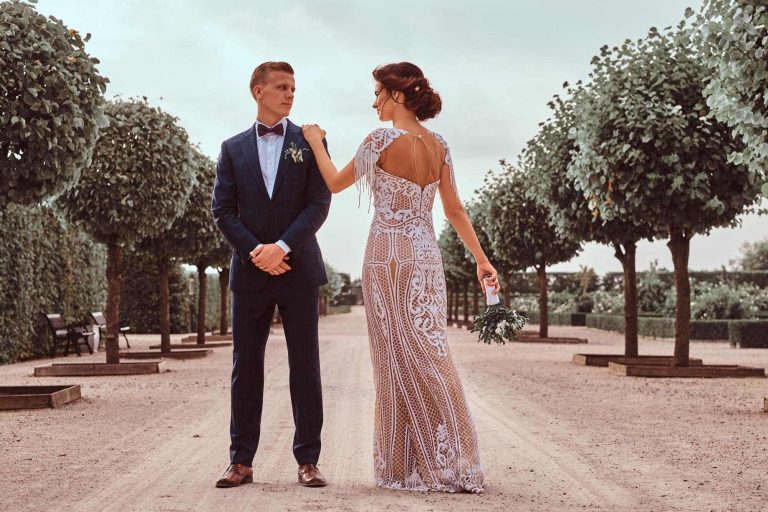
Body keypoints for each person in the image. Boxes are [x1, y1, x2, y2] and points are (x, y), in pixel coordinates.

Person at [301, 62, 498, 494]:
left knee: (394, 358)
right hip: (427, 257)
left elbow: (334, 182)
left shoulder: (380, 140)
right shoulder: (439, 145)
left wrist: (317, 141)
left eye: (379, 94)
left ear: (399, 95)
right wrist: (482, 260)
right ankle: (453, 458)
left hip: (387, 256)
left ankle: (405, 465)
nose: (374, 102)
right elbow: (454, 211)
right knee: (431, 351)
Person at [211, 61, 331, 489]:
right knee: (247, 368)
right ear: (257, 91)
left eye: (294, 88)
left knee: (305, 366)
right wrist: (255, 251)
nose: (290, 94)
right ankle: (240, 461)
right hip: (250, 273)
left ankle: (309, 461)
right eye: (282, 87)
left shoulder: (310, 141)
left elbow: (319, 204)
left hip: (298, 270)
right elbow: (221, 210)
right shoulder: (231, 148)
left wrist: (281, 247)